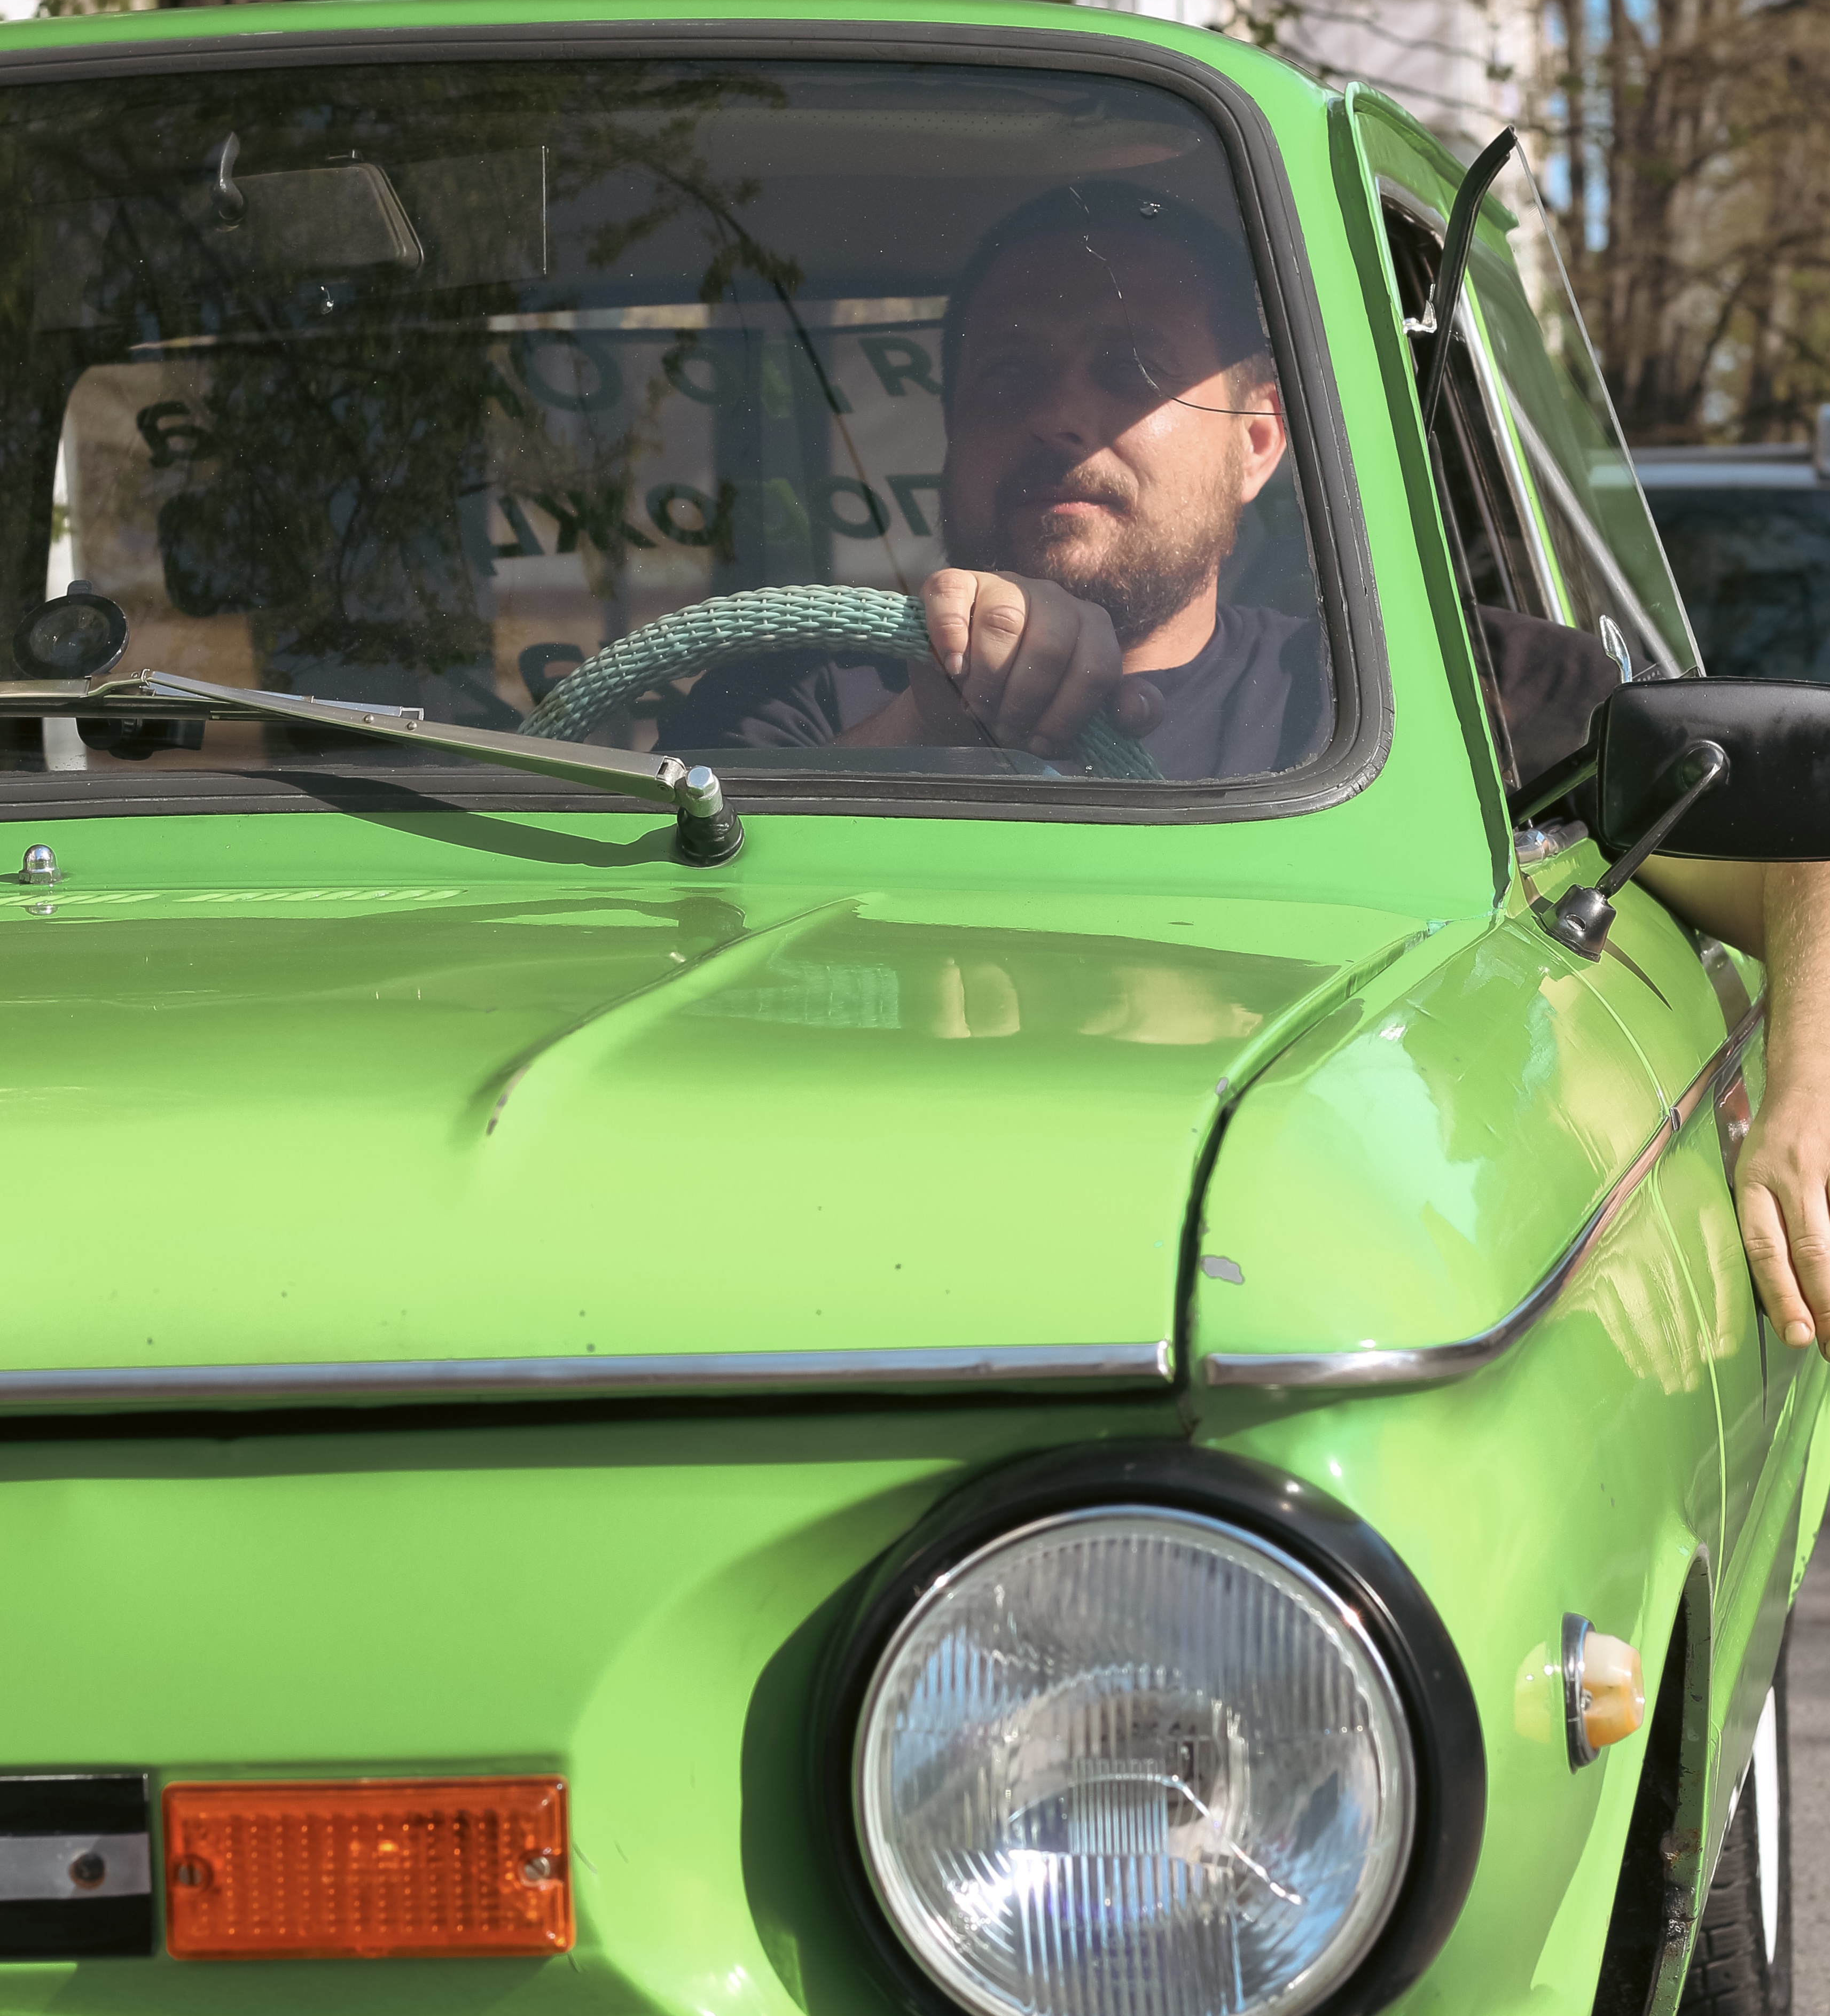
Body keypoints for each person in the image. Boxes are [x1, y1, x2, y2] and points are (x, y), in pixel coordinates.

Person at [666, 181, 1830, 1359]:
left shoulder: (1443, 698)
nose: (1059, 414)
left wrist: (1810, 1093)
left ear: (1259, 440)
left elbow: (1797, 846)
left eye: (1129, 368)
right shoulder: (797, 697)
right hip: (824, 1286)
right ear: (955, 438)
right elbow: (671, 939)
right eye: (1006, 378)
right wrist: (934, 710)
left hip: (1291, 1300)